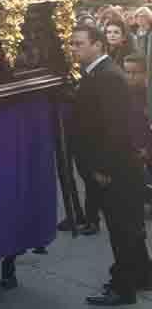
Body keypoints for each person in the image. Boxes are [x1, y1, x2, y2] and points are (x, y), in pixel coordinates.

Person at [71, 24, 151, 306]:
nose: (74, 49)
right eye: (73, 44)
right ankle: (142, 275)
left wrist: (103, 168)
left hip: (116, 169)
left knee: (121, 230)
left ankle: (123, 288)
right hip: (117, 166)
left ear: (98, 45)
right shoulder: (98, 73)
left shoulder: (107, 76)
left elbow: (116, 128)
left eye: (79, 44)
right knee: (129, 228)